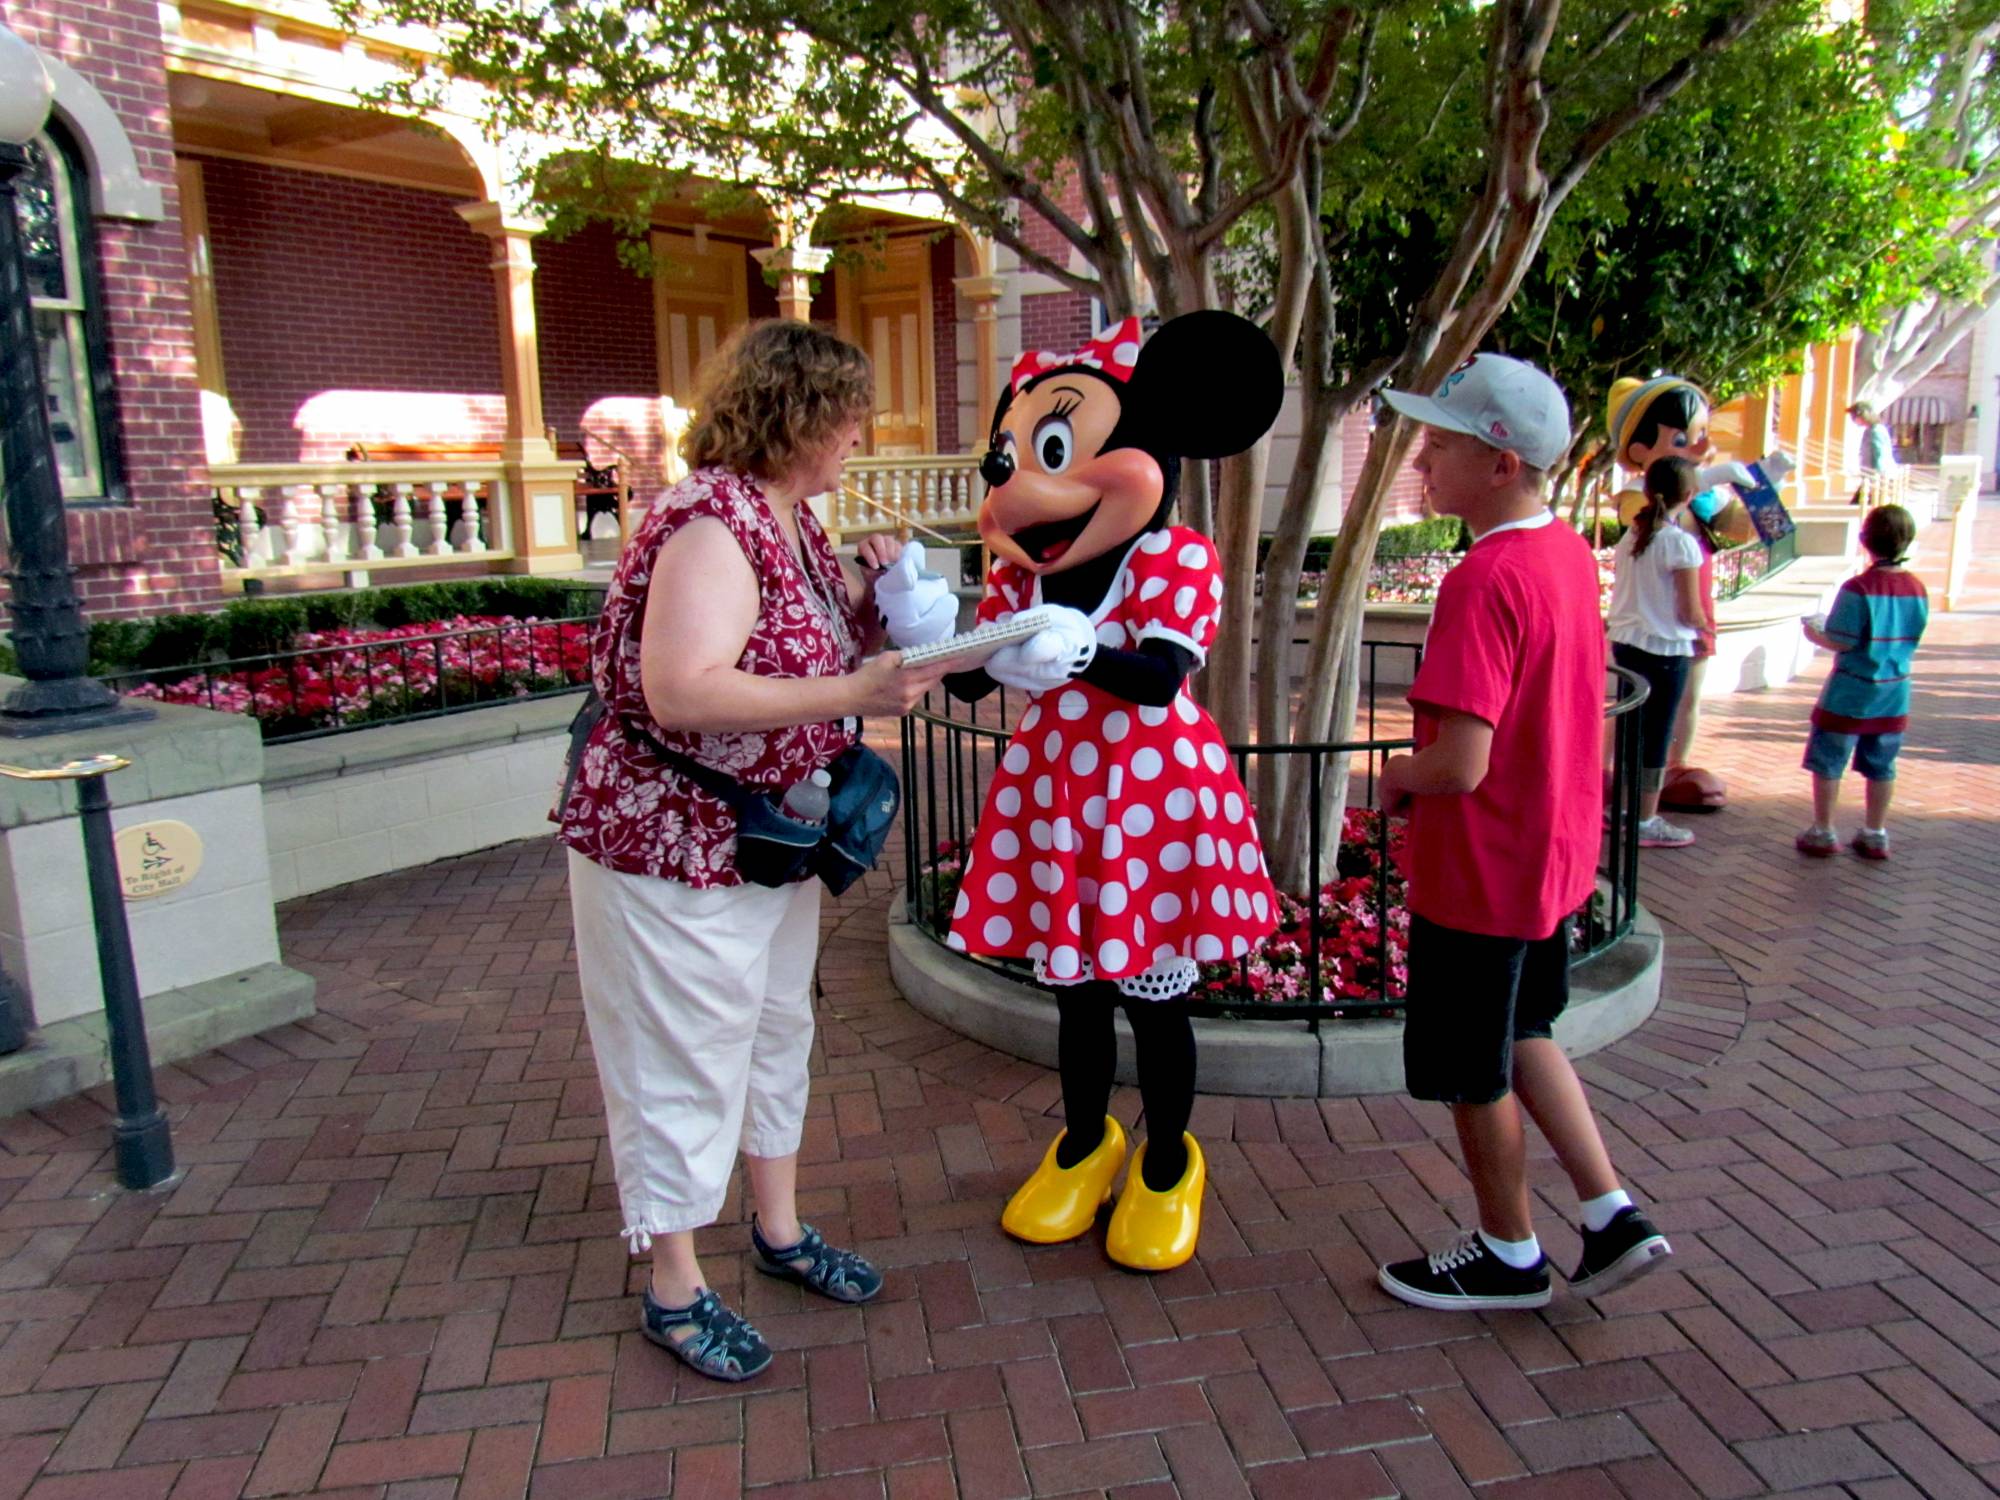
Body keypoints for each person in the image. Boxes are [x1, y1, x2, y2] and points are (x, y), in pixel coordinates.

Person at [553, 320, 953, 1382]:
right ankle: (673, 1285)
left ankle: (776, 1232)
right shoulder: (709, 521)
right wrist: (854, 693)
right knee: (685, 1052)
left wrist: (868, 608)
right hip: (672, 843)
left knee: (773, 1028)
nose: (858, 434)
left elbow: (789, 643)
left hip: (764, 837)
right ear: (794, 414)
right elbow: (681, 688)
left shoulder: (789, 519)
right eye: (845, 415)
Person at [945, 312, 1285, 1272]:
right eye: (1010, 459)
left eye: (1052, 450)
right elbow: (974, 680)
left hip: (1152, 802)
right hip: (1057, 793)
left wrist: (1081, 648)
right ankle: (1085, 1142)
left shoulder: (1176, 558)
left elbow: (1160, 678)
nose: (1022, 485)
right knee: (1079, 998)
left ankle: (1171, 1158)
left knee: (1156, 998)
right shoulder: (1016, 581)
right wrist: (933, 630)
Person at [1373, 352, 1671, 1311]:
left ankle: (1508, 1254)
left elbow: (1460, 763)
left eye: (1440, 445)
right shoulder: (1562, 556)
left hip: (1479, 876)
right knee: (1527, 1026)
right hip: (1545, 862)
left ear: (1499, 463)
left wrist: (1393, 774)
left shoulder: (1481, 581)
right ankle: (1610, 1209)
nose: (1423, 461)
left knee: (1473, 1068)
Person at [1605, 376, 1755, 814]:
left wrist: (1764, 490)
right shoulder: (1644, 510)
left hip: (1655, 629)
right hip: (1665, 632)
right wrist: (1710, 479)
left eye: (1700, 436)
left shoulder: (1694, 507)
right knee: (1643, 717)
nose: (1698, 446)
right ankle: (1636, 801)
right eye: (1683, 438)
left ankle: (1669, 772)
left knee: (1680, 703)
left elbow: (1742, 528)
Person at [1796, 504, 1928, 860]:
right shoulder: (1916, 588)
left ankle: (1823, 829)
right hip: (1895, 689)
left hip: (1851, 689)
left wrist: (1814, 634)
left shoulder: (1858, 588)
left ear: (1865, 540)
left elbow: (1842, 639)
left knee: (1828, 760)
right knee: (1882, 764)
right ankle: (1875, 831)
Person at [1607, 456, 1709, 848]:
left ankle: (1624, 808)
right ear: (1689, 495)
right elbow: (1689, 609)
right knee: (1658, 734)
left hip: (1628, 643)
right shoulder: (1680, 544)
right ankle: (1646, 818)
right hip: (1665, 649)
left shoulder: (1631, 536)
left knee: (1632, 729)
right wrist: (1702, 626)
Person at [1850, 401, 1900, 484]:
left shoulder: (1875, 431)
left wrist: (1876, 476)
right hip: (1873, 475)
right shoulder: (1873, 430)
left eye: (1854, 417)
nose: (1854, 421)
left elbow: (1878, 454)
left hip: (1876, 476)